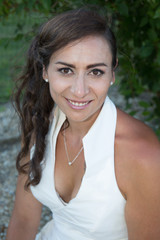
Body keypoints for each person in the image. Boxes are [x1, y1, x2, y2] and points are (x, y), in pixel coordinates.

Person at [6, 8, 160, 240]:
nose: (79, 91)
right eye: (66, 70)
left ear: (112, 74)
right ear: (45, 70)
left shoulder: (142, 155)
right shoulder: (40, 120)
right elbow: (23, 221)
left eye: (95, 71)